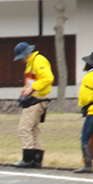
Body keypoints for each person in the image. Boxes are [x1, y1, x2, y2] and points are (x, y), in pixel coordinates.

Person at [12, 41, 53, 169]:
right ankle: (36, 159)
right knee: (33, 129)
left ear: (26, 54)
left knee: (24, 128)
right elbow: (32, 80)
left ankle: (27, 159)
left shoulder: (39, 61)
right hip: (33, 97)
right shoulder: (31, 63)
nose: (21, 60)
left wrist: (32, 88)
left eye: (22, 57)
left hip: (36, 99)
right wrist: (26, 89)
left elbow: (48, 78)